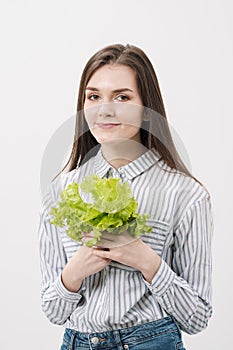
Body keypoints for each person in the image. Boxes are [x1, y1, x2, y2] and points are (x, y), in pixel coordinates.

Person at [38, 44, 213, 350]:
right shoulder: (60, 192)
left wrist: (148, 262)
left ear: (147, 109)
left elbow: (197, 318)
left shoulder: (186, 194)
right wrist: (75, 271)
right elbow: (53, 311)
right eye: (94, 97)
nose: (105, 109)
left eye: (122, 97)